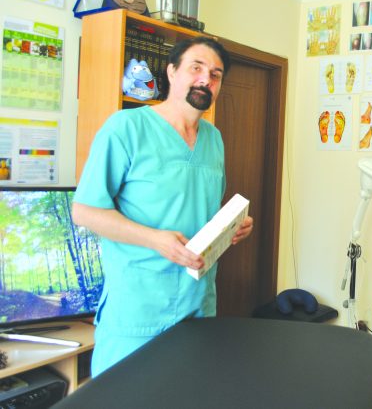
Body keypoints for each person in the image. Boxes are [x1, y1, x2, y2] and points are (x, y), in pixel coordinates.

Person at [72, 36, 254, 377]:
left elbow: (199, 207)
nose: (205, 79)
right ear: (171, 72)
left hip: (197, 305)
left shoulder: (214, 139)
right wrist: (156, 240)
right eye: (196, 68)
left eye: (215, 75)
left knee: (189, 394)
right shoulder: (126, 128)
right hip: (138, 309)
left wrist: (231, 225)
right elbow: (84, 210)